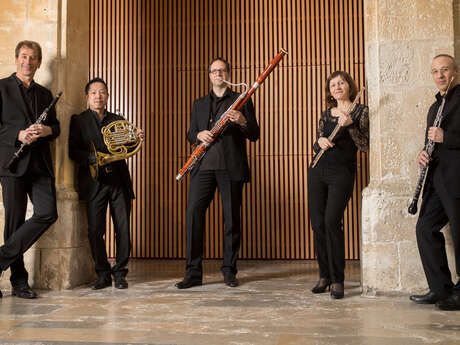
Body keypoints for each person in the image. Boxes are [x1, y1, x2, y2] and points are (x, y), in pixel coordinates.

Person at [175, 57, 260, 289]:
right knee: (193, 216)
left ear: (228, 73)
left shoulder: (241, 101)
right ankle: (193, 273)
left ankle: (229, 271)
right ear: (210, 75)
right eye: (214, 71)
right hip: (202, 166)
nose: (218, 74)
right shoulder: (199, 103)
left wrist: (242, 121)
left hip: (230, 167)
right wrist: (198, 135)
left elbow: (254, 133)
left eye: (222, 70)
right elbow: (190, 133)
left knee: (231, 220)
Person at [68, 78, 143, 290]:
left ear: (108, 96)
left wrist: (135, 138)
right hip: (94, 181)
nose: (98, 96)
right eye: (94, 92)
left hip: (118, 180)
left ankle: (120, 273)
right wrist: (94, 159)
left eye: (102, 92)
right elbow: (73, 151)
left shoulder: (118, 119)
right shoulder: (79, 121)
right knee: (95, 230)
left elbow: (128, 146)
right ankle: (102, 273)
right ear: (87, 97)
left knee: (123, 229)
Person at [0, 40, 60, 299]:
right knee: (14, 223)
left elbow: (55, 128)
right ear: (16, 59)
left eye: (33, 58)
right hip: (12, 163)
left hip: (40, 165)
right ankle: (19, 281)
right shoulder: (0, 88)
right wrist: (19, 134)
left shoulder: (45, 94)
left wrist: (46, 130)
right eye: (24, 56)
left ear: (38, 62)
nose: (28, 62)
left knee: (48, 213)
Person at [308, 71, 369, 299]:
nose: (337, 87)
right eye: (333, 84)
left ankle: (337, 279)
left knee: (332, 221)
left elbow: (364, 145)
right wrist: (318, 142)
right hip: (317, 171)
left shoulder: (360, 112)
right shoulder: (326, 114)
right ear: (329, 91)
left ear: (349, 86)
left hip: (342, 173)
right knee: (318, 224)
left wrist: (351, 125)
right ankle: (324, 275)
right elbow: (318, 143)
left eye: (341, 83)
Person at [410, 54, 460, 311]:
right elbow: (433, 141)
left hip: (457, 178)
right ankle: (441, 288)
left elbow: (446, 138)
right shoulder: (434, 107)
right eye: (435, 71)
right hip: (437, 179)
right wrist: (424, 153)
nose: (439, 75)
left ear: (455, 72)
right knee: (424, 229)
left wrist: (446, 137)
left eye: (444, 70)